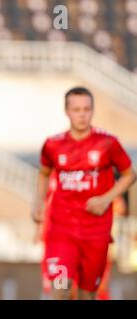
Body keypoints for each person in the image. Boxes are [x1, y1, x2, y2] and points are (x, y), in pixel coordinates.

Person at [31, 86, 136, 300]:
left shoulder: (108, 143)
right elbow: (43, 174)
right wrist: (37, 204)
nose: (82, 114)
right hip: (62, 230)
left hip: (96, 231)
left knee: (87, 294)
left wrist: (106, 199)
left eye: (86, 109)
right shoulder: (53, 145)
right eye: (76, 109)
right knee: (60, 290)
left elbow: (129, 174)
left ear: (93, 111)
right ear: (67, 111)